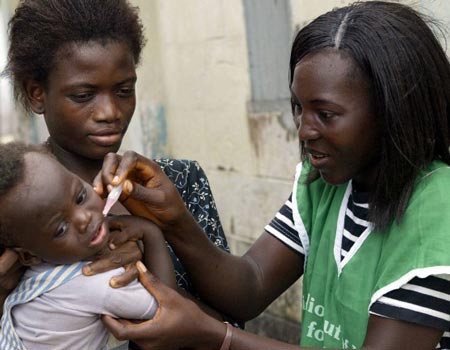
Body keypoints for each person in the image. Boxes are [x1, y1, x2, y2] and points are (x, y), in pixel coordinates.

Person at [92, 1, 450, 349]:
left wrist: (217, 336)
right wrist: (173, 219)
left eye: (325, 114)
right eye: (298, 107)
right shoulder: (321, 183)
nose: (304, 130)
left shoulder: (437, 209)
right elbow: (250, 286)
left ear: (392, 111)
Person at [0, 0, 233, 325]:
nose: (110, 112)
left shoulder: (178, 182)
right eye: (83, 96)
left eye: (124, 90)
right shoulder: (13, 212)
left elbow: (230, 322)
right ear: (37, 94)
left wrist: (151, 260)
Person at [0, 141, 177, 349]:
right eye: (61, 229)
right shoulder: (98, 282)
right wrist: (152, 234)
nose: (84, 219)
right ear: (29, 257)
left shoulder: (35, 273)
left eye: (81, 196)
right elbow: (170, 314)